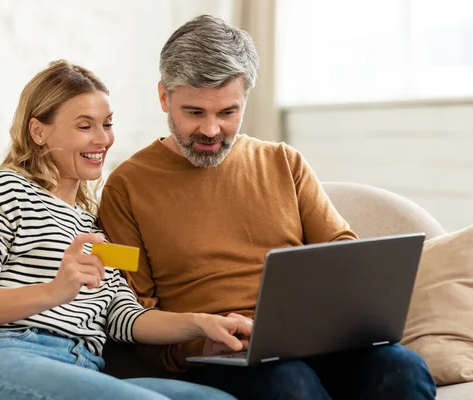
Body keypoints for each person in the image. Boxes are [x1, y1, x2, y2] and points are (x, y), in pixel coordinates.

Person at [98, 15, 437, 400]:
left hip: (313, 341)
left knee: (403, 369)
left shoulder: (283, 162)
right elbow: (130, 311)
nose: (211, 130)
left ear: (245, 99)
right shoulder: (126, 187)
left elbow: (343, 253)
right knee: (290, 384)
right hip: (217, 359)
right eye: (194, 113)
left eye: (227, 113)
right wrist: (198, 346)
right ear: (164, 97)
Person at [0, 60, 251, 400]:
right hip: (1, 357)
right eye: (85, 126)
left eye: (107, 124)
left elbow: (125, 318)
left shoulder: (92, 223)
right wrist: (55, 291)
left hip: (81, 366)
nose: (103, 139)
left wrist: (202, 323)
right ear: (38, 131)